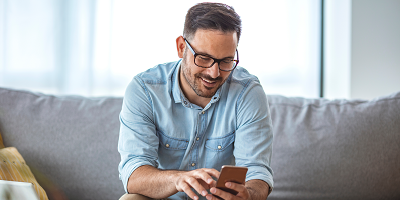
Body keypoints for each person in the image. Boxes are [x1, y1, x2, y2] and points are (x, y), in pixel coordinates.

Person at [118, 2, 273, 200]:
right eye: (204, 58)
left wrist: (248, 195)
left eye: (226, 60)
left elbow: (257, 172)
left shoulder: (247, 93)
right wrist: (179, 180)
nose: (214, 72)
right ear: (181, 47)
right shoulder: (144, 90)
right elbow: (133, 175)